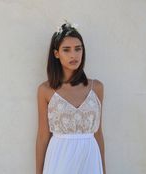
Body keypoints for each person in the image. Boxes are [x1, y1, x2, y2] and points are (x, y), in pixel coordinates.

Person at [35, 21, 106, 174]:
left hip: (90, 159)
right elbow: (42, 136)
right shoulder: (45, 90)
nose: (74, 55)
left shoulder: (97, 88)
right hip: (59, 159)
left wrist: (104, 170)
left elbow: (98, 133)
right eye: (66, 50)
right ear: (56, 54)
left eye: (78, 49)